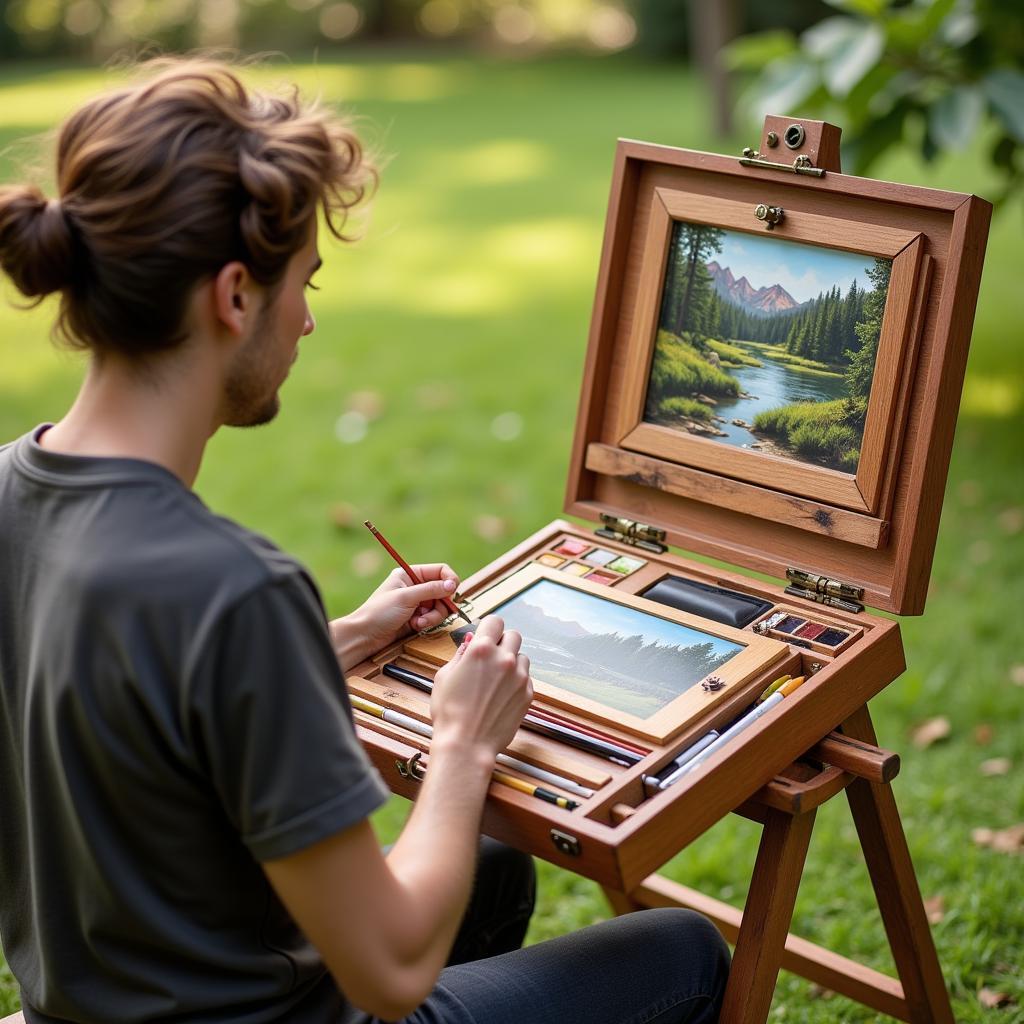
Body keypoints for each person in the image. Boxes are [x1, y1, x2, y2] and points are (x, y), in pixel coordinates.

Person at [0, 58, 730, 1024]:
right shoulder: (233, 591)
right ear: (232, 297)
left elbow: (119, 694)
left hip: (86, 1004)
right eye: (304, 281)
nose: (306, 319)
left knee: (495, 866)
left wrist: (328, 645)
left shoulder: (12, 487)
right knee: (681, 951)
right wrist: (465, 745)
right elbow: (389, 973)